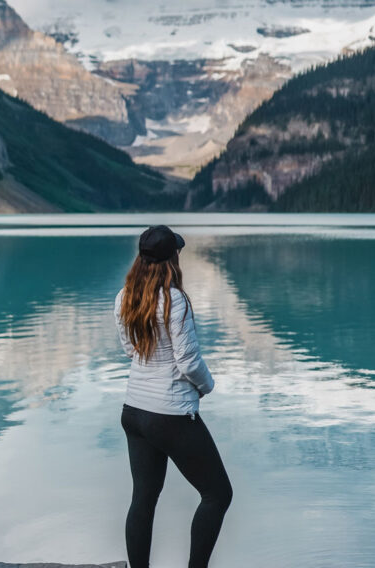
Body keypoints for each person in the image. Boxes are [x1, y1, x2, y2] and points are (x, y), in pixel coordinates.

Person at [114, 224, 233, 568]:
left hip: (134, 410)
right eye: (178, 252)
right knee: (217, 494)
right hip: (169, 414)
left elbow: (129, 349)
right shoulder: (175, 300)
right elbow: (187, 361)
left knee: (144, 498)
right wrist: (206, 386)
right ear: (171, 259)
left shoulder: (125, 296)